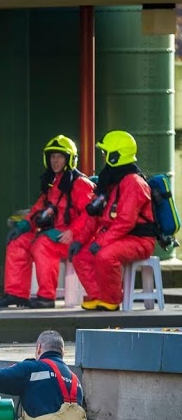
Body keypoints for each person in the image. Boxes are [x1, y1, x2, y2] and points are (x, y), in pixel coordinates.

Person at [0, 135, 95, 309]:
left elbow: (89, 215)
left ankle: (46, 297)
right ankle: (16, 294)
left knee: (42, 245)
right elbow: (39, 209)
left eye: (60, 156)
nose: (55, 161)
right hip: (54, 235)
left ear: (69, 159)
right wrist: (24, 225)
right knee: (18, 242)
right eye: (52, 156)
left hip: (76, 239)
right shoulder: (53, 184)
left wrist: (72, 233)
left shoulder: (81, 184)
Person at [69, 130, 156, 311]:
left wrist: (100, 242)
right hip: (116, 237)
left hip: (139, 240)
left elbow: (125, 222)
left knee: (106, 256)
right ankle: (97, 296)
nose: (103, 156)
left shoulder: (133, 183)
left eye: (105, 153)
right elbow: (95, 216)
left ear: (116, 156)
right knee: (81, 256)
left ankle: (111, 300)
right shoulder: (110, 181)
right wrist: (80, 240)